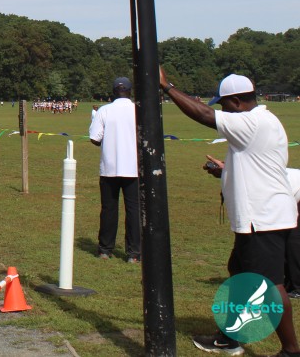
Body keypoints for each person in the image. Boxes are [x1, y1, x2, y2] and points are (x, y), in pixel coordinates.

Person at [161, 69, 299, 356]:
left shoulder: (251, 122)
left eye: (224, 104)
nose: (222, 111)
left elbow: (204, 115)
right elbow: (256, 165)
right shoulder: (263, 121)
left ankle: (291, 349)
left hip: (262, 218)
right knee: (239, 273)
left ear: (236, 101)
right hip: (265, 216)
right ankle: (228, 337)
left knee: (271, 285)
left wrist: (167, 87)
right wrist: (224, 172)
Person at [88, 77, 140, 263]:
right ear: (130, 91)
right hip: (133, 168)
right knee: (133, 210)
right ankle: (134, 253)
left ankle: (105, 249)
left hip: (109, 168)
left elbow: (95, 138)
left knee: (109, 209)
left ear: (113, 92)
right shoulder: (138, 110)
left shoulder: (104, 110)